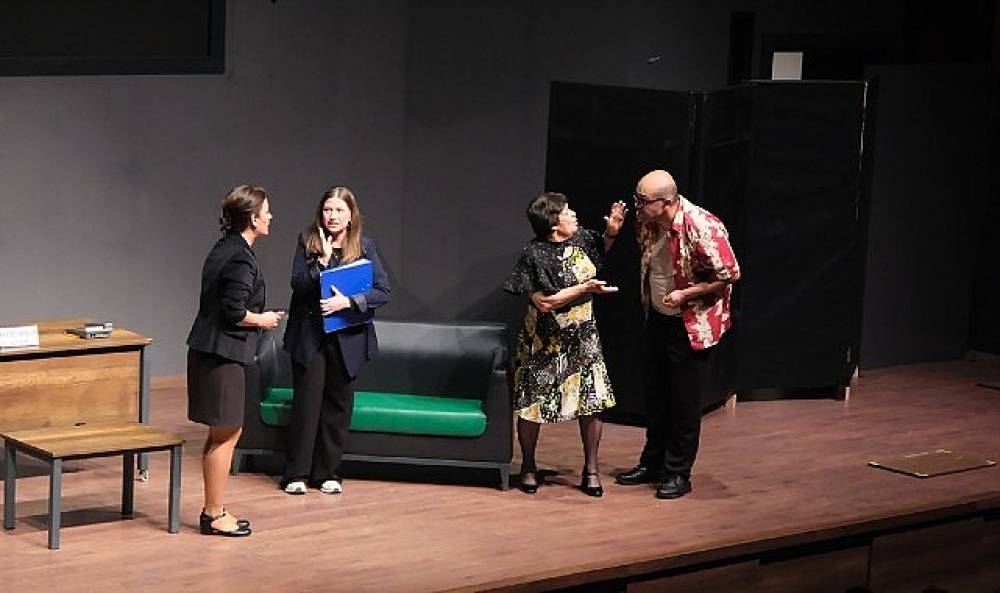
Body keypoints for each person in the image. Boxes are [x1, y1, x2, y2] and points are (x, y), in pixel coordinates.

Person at [613, 169, 740, 499]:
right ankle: (652, 463)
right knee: (656, 396)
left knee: (684, 402)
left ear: (667, 202)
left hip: (691, 323)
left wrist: (687, 294)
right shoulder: (647, 221)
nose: (637, 206)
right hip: (658, 317)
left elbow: (728, 274)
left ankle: (677, 472)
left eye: (643, 200)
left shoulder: (702, 226)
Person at [503, 192, 627, 496]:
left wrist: (612, 232)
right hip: (544, 340)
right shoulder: (534, 254)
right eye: (567, 211)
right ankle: (528, 466)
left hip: (583, 336)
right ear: (553, 223)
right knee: (532, 404)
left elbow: (600, 250)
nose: (574, 215)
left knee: (592, 400)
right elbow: (544, 303)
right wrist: (584, 288)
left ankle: (591, 469)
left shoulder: (581, 238)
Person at [186, 185, 284, 536]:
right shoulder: (241, 257)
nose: (271, 216)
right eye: (266, 211)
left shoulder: (225, 247)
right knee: (228, 432)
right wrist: (264, 320)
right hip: (222, 354)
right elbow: (234, 311)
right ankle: (213, 514)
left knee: (221, 432)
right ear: (253, 218)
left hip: (211, 352)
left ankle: (213, 509)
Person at [281, 186, 390, 495]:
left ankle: (327, 473)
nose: (333, 216)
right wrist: (322, 264)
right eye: (328, 209)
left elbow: (382, 291)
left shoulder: (365, 246)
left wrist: (349, 302)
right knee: (307, 406)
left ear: (351, 216)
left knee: (338, 407)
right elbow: (298, 284)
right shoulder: (308, 241)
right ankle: (296, 475)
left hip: (347, 338)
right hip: (311, 337)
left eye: (340, 210)